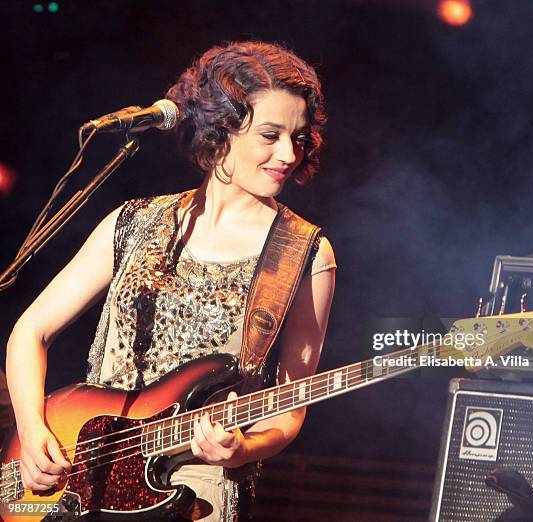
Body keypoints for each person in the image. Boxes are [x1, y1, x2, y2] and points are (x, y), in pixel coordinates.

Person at [6, 41, 336, 521]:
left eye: (298, 137)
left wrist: (242, 450)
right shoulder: (134, 222)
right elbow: (29, 332)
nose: (288, 153)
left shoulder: (303, 253)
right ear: (222, 129)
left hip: (191, 489)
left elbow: (290, 406)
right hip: (80, 473)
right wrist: (33, 428)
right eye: (270, 134)